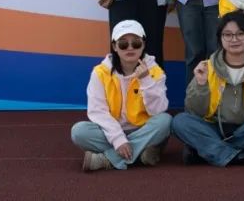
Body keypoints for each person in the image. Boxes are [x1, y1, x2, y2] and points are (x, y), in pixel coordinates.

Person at [172, 12, 244, 166]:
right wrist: (201, 85)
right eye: (228, 35)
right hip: (213, 127)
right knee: (180, 121)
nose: (234, 39)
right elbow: (194, 111)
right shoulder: (207, 67)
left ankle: (209, 150)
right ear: (220, 38)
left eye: (240, 34)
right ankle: (237, 156)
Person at [70, 20, 171, 171]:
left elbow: (158, 110)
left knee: (165, 121)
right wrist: (118, 139)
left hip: (143, 129)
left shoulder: (155, 71)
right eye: (123, 44)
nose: (130, 48)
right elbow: (98, 111)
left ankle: (107, 159)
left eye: (136, 43)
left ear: (143, 44)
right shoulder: (100, 73)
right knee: (79, 132)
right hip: (111, 132)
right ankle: (140, 153)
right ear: (114, 46)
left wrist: (145, 80)